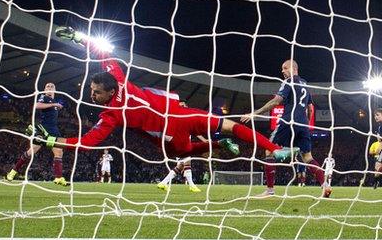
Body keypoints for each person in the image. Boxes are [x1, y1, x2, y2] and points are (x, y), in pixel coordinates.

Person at [28, 27, 296, 171]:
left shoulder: (111, 114)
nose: (92, 94)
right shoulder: (117, 78)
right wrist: (79, 38)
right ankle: (267, 148)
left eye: (96, 92)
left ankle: (245, 147)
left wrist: (51, 140)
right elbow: (102, 54)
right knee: (218, 131)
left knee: (185, 149)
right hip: (178, 115)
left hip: (171, 127)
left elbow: (87, 143)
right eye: (91, 90)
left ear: (109, 92)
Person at [241, 59, 331, 198]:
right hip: (303, 124)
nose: (282, 71)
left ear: (294, 68)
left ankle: (270, 190)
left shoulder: (289, 82)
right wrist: (305, 123)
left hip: (288, 121)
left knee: (269, 150)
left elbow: (276, 101)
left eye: (284, 68)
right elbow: (310, 108)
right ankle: (325, 185)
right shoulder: (305, 84)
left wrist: (255, 113)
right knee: (308, 157)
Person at [6, 83, 69, 186]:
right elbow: (37, 106)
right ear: (44, 90)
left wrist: (55, 105)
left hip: (53, 130)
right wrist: (54, 105)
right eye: (47, 86)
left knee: (57, 152)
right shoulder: (44, 97)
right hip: (44, 130)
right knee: (33, 151)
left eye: (51, 87)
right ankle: (12, 172)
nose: (49, 88)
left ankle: (58, 178)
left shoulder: (54, 102)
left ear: (55, 90)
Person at [373, 108, 382, 189]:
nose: (375, 117)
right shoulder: (380, 127)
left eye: (377, 115)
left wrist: (379, 147)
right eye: (374, 115)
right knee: (377, 166)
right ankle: (376, 182)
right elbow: (379, 140)